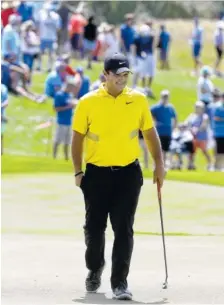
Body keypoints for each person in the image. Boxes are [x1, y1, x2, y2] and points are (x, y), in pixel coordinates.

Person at [71, 53, 165, 301]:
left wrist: (159, 164)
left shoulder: (138, 100)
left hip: (128, 174)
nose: (122, 79)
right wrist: (78, 171)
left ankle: (119, 283)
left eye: (125, 75)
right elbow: (77, 138)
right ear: (106, 75)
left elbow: (150, 133)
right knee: (94, 228)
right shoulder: (87, 102)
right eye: (118, 74)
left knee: (123, 229)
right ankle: (95, 267)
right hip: (96, 175)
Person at [151, 90, 177, 167]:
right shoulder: (156, 107)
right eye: (164, 97)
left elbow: (175, 118)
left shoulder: (170, 107)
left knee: (165, 150)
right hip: (159, 131)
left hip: (168, 132)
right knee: (158, 149)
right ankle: (155, 164)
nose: (165, 98)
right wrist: (154, 122)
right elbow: (149, 115)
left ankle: (163, 165)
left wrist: (174, 128)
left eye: (166, 97)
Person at [53, 78, 77, 160]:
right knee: (58, 140)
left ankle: (66, 158)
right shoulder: (59, 95)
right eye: (72, 87)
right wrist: (68, 107)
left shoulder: (70, 95)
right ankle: (54, 156)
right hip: (61, 121)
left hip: (69, 122)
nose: (73, 90)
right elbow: (56, 109)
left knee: (67, 142)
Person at [185, 101, 212, 170]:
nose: (197, 109)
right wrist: (190, 129)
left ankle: (210, 164)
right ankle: (190, 165)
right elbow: (187, 124)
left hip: (202, 137)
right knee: (192, 152)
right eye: (196, 107)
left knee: (204, 151)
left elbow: (204, 125)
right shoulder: (192, 116)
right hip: (193, 137)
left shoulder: (205, 116)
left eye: (198, 107)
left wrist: (196, 129)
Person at [36, 3, 61, 72]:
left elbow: (58, 28)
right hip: (42, 37)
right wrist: (38, 35)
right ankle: (39, 66)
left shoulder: (56, 16)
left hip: (51, 38)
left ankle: (49, 67)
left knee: (51, 54)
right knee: (40, 53)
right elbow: (38, 25)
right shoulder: (41, 14)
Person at [131, 24, 156, 96]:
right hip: (141, 57)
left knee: (151, 72)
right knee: (142, 72)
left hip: (149, 56)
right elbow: (134, 47)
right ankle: (144, 87)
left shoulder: (151, 36)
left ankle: (148, 87)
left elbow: (154, 39)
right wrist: (134, 57)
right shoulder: (137, 38)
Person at [212, 93, 224, 170]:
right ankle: (216, 166)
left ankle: (221, 166)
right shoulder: (218, 107)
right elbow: (216, 118)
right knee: (218, 151)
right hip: (219, 133)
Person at [1, 84, 9, 155]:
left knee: (1, 133)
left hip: (2, 113)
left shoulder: (3, 88)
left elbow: (6, 102)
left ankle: (1, 151)